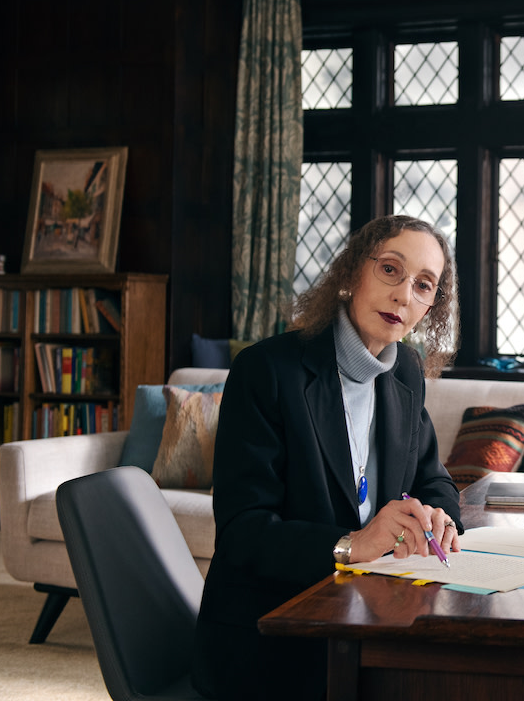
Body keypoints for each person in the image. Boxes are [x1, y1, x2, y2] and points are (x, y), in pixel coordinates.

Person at [192, 215, 463, 700]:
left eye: (425, 285)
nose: (404, 295)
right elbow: (243, 532)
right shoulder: (267, 370)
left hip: (365, 615)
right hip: (271, 638)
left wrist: (439, 518)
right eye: (390, 270)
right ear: (351, 272)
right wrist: (351, 544)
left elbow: (431, 478)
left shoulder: (405, 371)